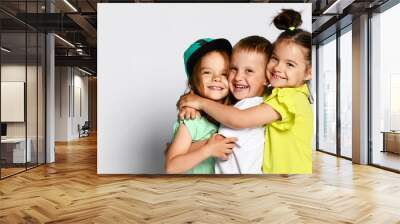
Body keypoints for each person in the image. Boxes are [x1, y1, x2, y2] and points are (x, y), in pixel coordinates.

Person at [178, 9, 313, 174]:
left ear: (308, 72)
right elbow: (222, 104)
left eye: (290, 64)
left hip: (289, 180)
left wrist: (198, 102)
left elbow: (239, 119)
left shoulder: (290, 98)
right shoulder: (268, 95)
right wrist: (191, 104)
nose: (278, 68)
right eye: (275, 59)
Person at [165, 38, 237, 174]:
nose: (217, 78)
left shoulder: (235, 113)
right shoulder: (192, 120)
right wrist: (208, 150)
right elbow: (171, 167)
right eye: (207, 72)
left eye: (224, 74)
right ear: (193, 81)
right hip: (196, 193)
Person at [215, 36, 272, 174]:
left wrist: (198, 102)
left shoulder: (246, 106)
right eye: (234, 69)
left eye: (249, 71)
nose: (238, 77)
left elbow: (216, 142)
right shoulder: (263, 103)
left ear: (267, 77)